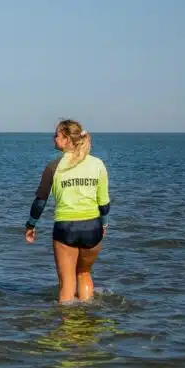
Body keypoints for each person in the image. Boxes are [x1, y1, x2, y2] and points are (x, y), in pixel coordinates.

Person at [24, 119, 111, 303]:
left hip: (66, 229)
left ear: (66, 139)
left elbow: (40, 201)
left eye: (57, 135)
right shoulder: (98, 164)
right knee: (84, 273)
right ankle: (88, 316)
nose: (54, 138)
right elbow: (104, 203)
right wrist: (103, 224)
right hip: (93, 227)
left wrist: (31, 225)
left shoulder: (53, 167)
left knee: (67, 283)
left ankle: (67, 321)